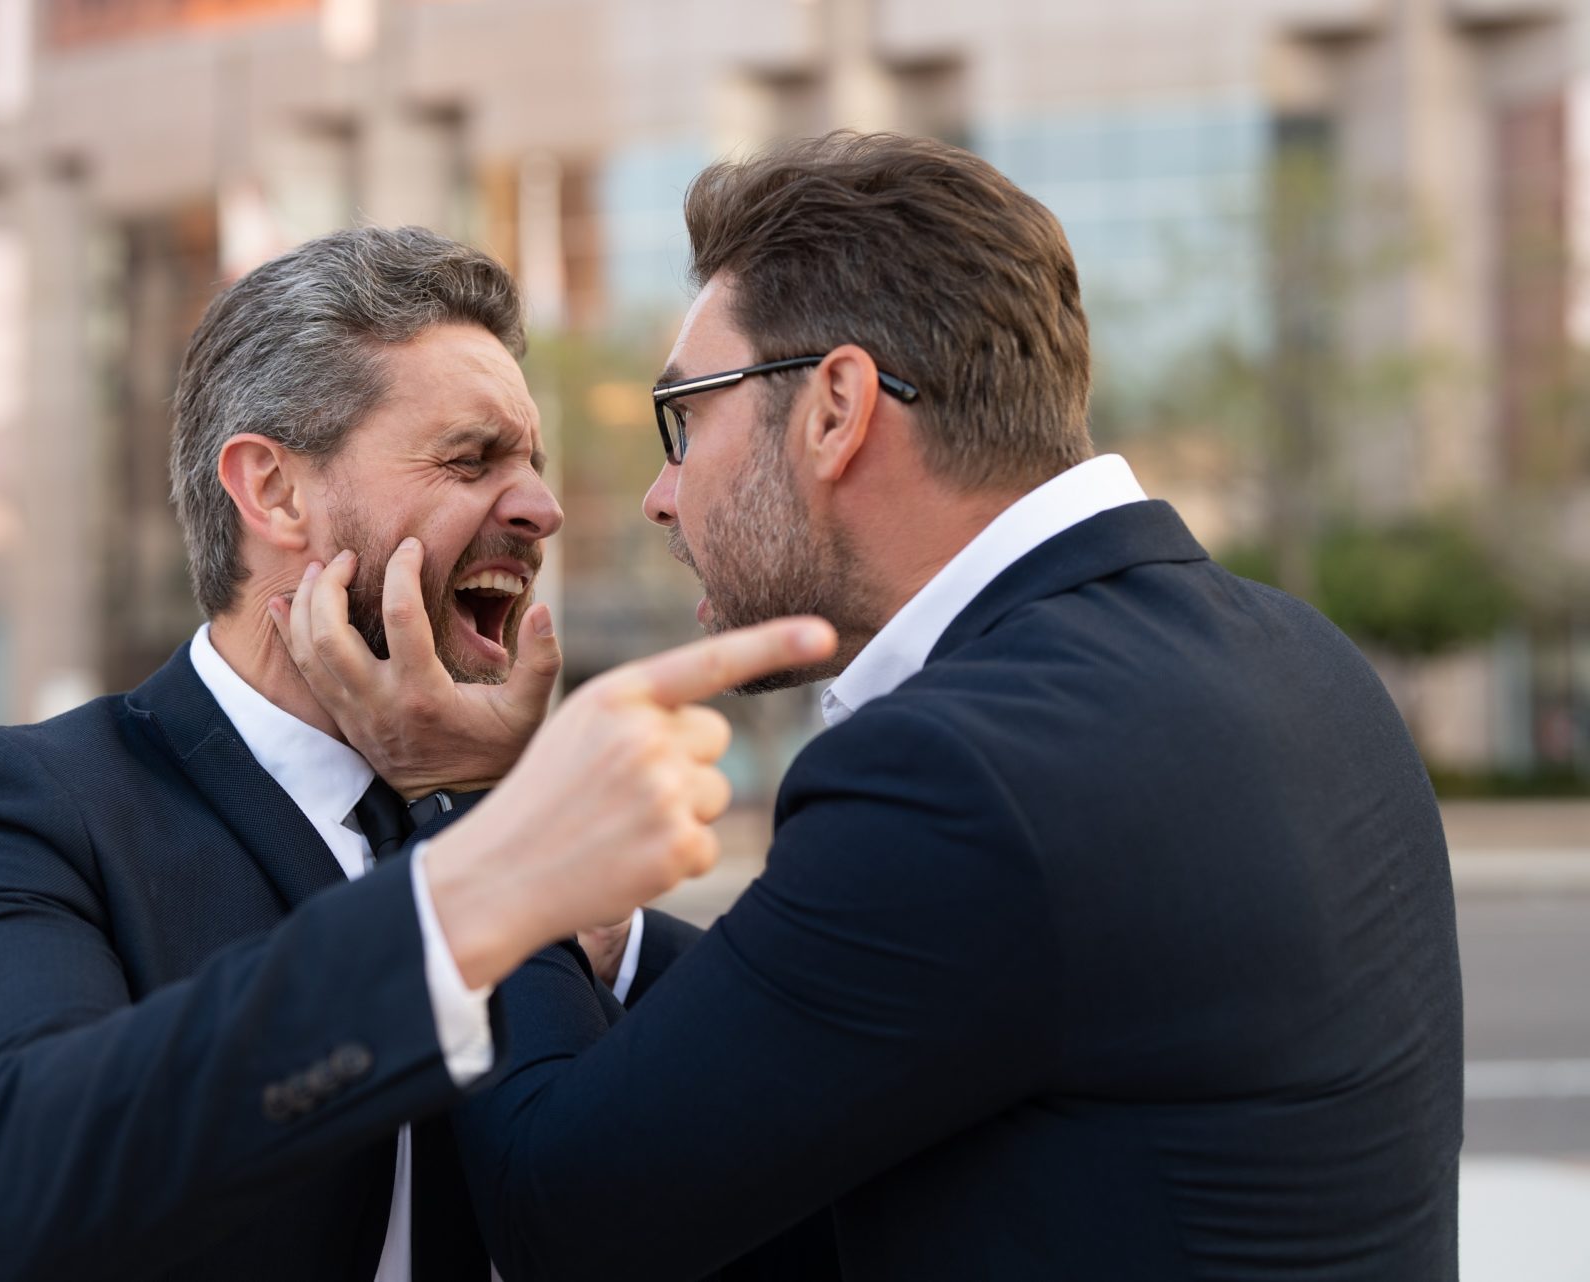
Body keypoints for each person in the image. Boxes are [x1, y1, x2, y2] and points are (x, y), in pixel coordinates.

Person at [280, 135, 1464, 1280]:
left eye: (684, 417)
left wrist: (492, 811)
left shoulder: (955, 768)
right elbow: (895, 999)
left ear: (836, 407)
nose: (657, 494)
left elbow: (563, 1217)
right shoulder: (1296, 657)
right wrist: (612, 937)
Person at [0, 225, 833, 1282]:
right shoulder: (13, 805)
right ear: (272, 492)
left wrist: (557, 884)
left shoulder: (502, 839)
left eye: (533, 466)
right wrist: (479, 885)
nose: (541, 509)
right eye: (471, 458)